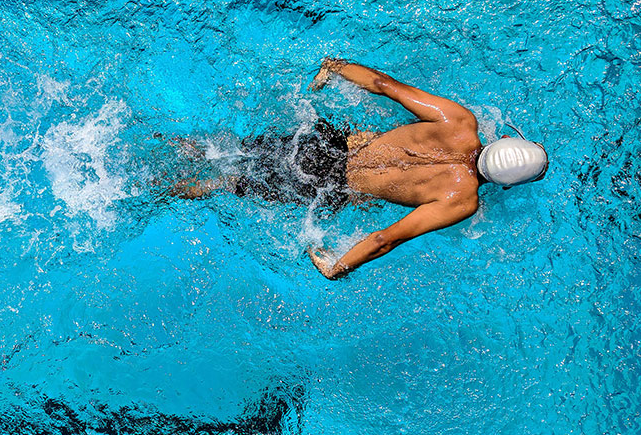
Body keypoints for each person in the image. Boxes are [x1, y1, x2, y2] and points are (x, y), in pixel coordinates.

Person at [164, 59, 548, 279]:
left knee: (230, 149)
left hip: (326, 143)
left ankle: (169, 143)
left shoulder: (459, 121)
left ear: (503, 140)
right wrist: (338, 267)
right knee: (229, 184)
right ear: (506, 184)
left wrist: (336, 68)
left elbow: (383, 84)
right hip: (329, 186)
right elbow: (386, 238)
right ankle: (160, 189)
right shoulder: (461, 200)